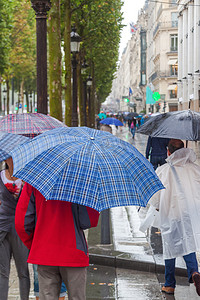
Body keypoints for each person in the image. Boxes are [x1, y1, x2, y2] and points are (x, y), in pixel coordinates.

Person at [15, 183, 100, 300]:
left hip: (44, 252)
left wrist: (35, 244)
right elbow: (89, 221)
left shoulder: (34, 182)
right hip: (74, 251)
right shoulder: (82, 182)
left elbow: (22, 223)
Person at [148, 139, 200, 296]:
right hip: (191, 212)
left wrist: (157, 206)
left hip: (171, 214)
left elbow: (155, 198)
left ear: (168, 152)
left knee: (170, 246)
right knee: (188, 241)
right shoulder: (195, 169)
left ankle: (169, 284)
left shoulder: (164, 170)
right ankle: (194, 272)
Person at [0, 157, 30, 300]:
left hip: (20, 227)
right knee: (2, 271)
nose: (12, 159)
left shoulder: (27, 178)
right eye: (9, 157)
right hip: (2, 226)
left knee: (23, 271)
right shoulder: (0, 175)